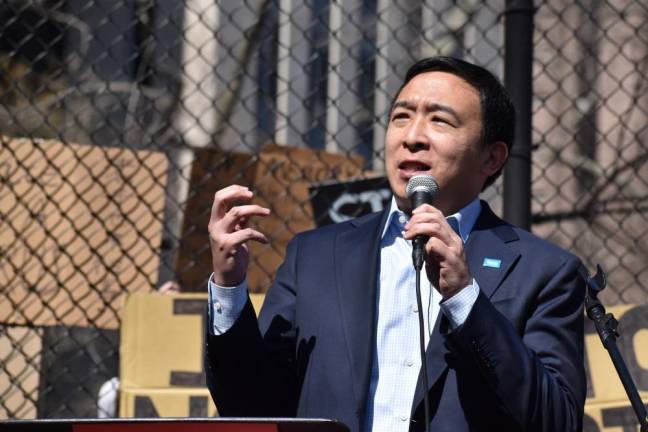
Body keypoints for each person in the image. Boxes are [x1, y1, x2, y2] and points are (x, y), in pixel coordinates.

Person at [203, 56, 586, 432]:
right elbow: (251, 404)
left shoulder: (544, 271)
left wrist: (466, 299)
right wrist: (229, 285)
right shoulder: (316, 256)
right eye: (401, 117)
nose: (412, 137)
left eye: (439, 120)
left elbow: (556, 419)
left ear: (491, 157)